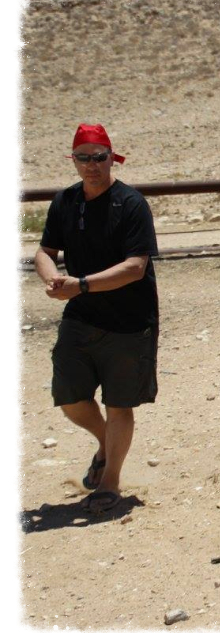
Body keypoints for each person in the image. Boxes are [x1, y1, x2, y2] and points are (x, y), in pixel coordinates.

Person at [34, 123, 160, 514]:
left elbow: (135, 267)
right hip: (81, 316)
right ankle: (107, 443)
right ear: (73, 161)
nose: (92, 165)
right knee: (70, 398)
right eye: (83, 158)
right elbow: (44, 250)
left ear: (112, 158)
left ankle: (110, 483)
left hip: (129, 321)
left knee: (121, 403)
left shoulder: (131, 204)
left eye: (99, 157)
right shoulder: (65, 202)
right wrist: (51, 277)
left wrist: (81, 284)